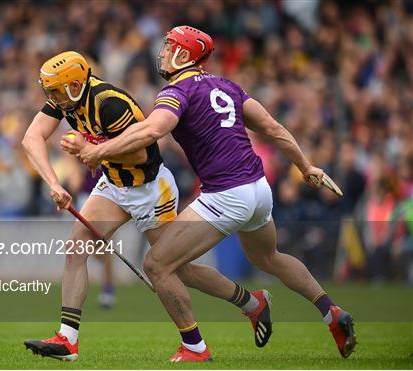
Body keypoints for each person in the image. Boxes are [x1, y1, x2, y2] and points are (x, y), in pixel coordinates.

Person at [75, 26, 357, 361]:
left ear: (183, 55)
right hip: (258, 189)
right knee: (270, 258)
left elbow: (152, 130)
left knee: (157, 265)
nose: (162, 53)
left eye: (169, 48)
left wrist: (99, 151)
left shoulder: (174, 91)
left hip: (226, 196)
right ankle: (330, 311)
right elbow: (272, 127)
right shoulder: (228, 85)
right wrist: (305, 166)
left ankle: (194, 347)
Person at [22, 51, 268, 361]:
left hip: (151, 189)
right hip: (113, 185)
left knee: (174, 268)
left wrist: (92, 148)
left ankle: (248, 306)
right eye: (50, 91)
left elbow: (140, 155)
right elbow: (31, 137)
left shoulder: (110, 103)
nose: (52, 97)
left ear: (74, 85)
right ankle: (67, 340)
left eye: (56, 90)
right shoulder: (65, 101)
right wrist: (54, 184)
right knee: (76, 248)